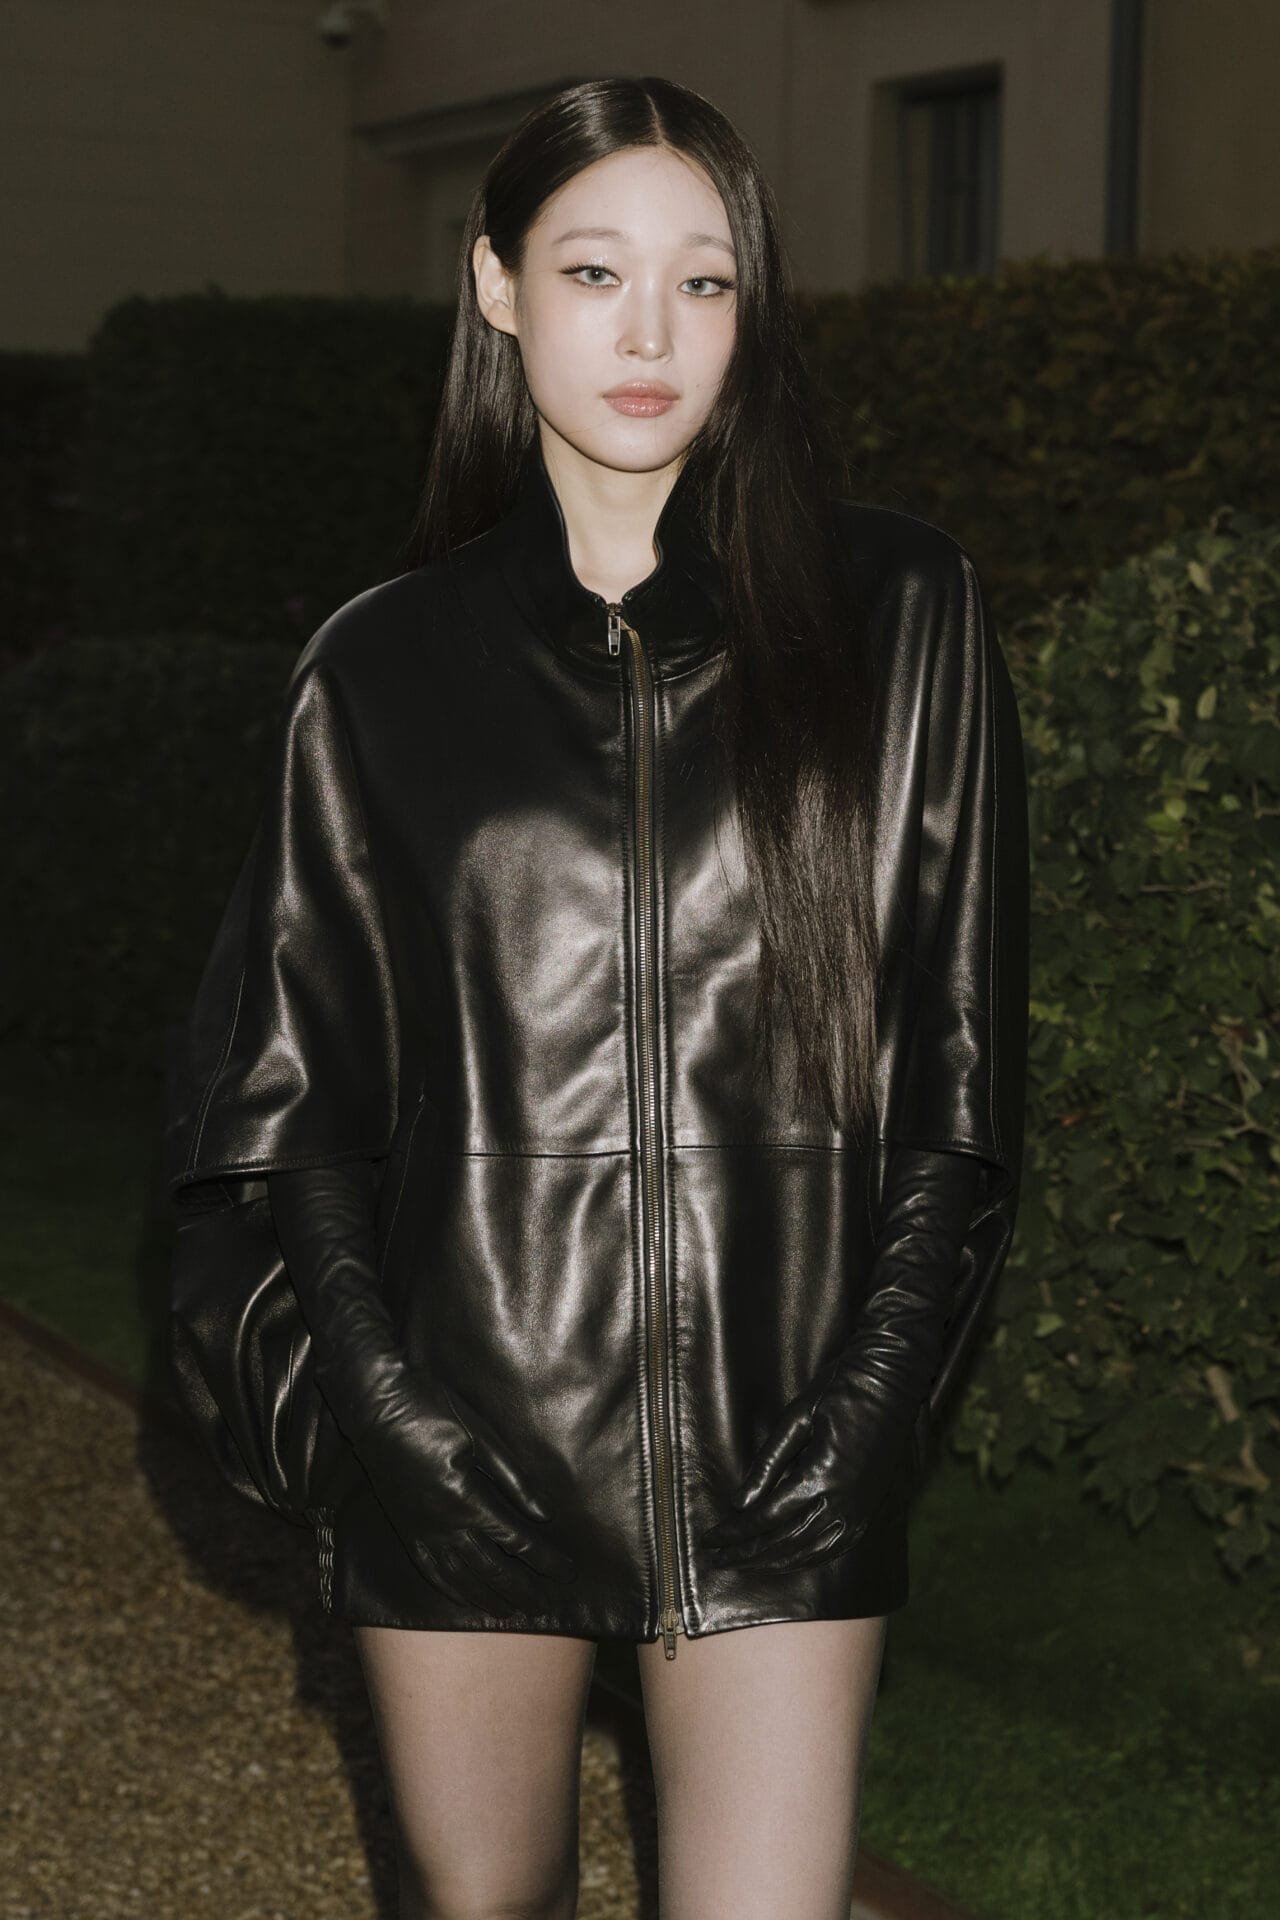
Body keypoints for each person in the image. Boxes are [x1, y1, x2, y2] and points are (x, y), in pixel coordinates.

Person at [165, 73, 1028, 1920]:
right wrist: (387, 1419)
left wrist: (871, 1414)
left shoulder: (900, 611)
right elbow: (296, 1101)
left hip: (786, 1435)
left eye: (704, 282)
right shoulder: (380, 667)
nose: (652, 335)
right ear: (496, 286)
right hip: (462, 1431)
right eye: (593, 271)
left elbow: (956, 1072)